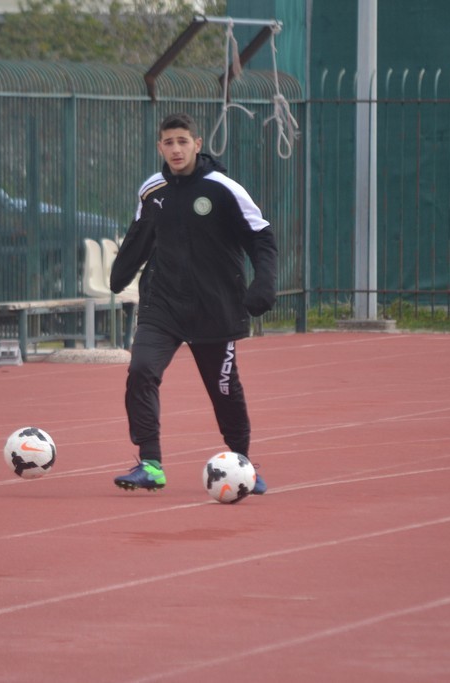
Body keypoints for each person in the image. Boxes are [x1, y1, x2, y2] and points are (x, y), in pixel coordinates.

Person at [109, 112, 278, 494]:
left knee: (224, 390)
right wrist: (122, 271)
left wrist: (263, 283)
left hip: (215, 306)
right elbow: (142, 232)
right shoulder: (153, 190)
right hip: (163, 303)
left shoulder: (223, 188)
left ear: (197, 145)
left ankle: (242, 464)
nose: (176, 149)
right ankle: (150, 464)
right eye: (168, 142)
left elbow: (262, 238)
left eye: (183, 141)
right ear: (160, 147)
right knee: (141, 370)